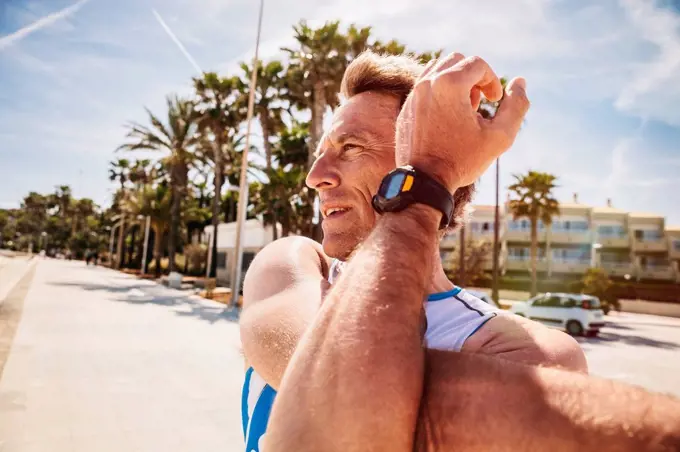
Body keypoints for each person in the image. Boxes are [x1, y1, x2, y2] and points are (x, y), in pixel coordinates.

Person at [239, 50, 592, 452]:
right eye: (321, 153)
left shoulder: (531, 354)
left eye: (351, 147)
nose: (315, 177)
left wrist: (429, 174)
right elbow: (332, 393)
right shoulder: (291, 264)